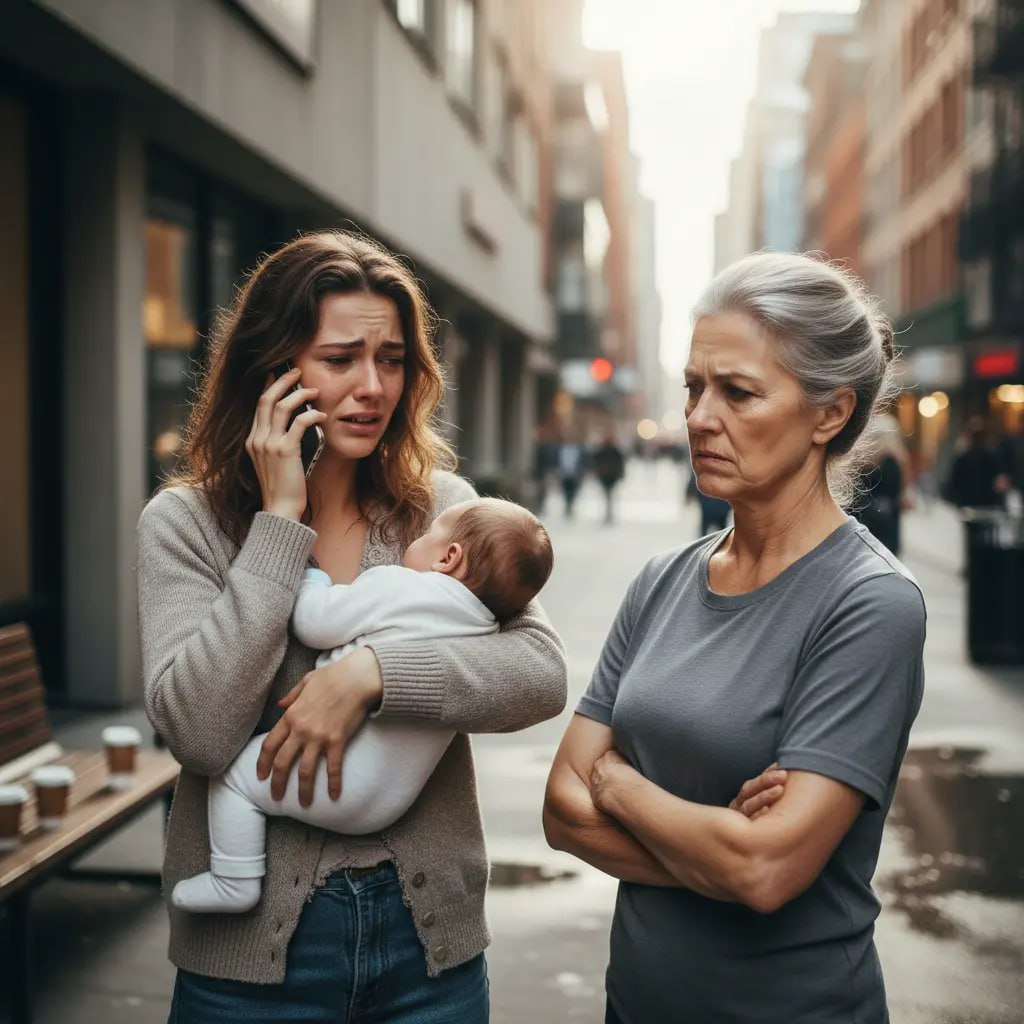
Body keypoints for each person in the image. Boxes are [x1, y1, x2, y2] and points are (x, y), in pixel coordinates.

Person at [137, 230, 567, 1023]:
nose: (374, 386)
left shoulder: (441, 510)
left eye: (393, 358)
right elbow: (199, 733)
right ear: (273, 371)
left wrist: (372, 676)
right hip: (248, 968)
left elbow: (541, 674)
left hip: (426, 949)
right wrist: (279, 523)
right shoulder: (186, 525)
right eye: (341, 359)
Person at [543, 252, 927, 1023]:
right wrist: (715, 845)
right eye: (693, 387)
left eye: (738, 392)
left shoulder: (870, 602)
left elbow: (765, 869)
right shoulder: (662, 579)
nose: (698, 416)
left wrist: (617, 784)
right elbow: (560, 811)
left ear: (829, 413)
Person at [171, 497, 553, 914]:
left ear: (448, 557)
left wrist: (313, 582)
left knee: (237, 781)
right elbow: (197, 734)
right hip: (390, 801)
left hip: (330, 781)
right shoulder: (486, 624)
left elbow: (315, 623)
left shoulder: (397, 583)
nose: (420, 536)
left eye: (429, 534)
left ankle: (234, 880)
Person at [852, 412, 913, 556]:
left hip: (865, 519)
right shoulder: (897, 460)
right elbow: (900, 491)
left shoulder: (861, 460)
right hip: (888, 519)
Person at [945, 416, 1009, 510]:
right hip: (968, 506)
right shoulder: (963, 460)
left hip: (987, 506)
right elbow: (954, 483)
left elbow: (999, 483)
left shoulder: (991, 459)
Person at [685, 468, 731, 535]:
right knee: (721, 530)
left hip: (709, 502)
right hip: (719, 503)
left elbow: (695, 475)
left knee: (708, 528)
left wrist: (689, 493)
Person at [592, 433, 626, 524]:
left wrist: (620, 474)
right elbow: (596, 462)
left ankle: (609, 513)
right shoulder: (602, 450)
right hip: (605, 476)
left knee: (609, 494)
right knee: (607, 494)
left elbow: (620, 463)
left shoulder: (615, 451)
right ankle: (608, 513)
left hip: (611, 476)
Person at [558, 433, 585, 518]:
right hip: (564, 473)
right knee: (565, 491)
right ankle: (567, 505)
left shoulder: (578, 449)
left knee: (574, 491)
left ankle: (570, 505)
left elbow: (582, 461)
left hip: (575, 474)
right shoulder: (561, 449)